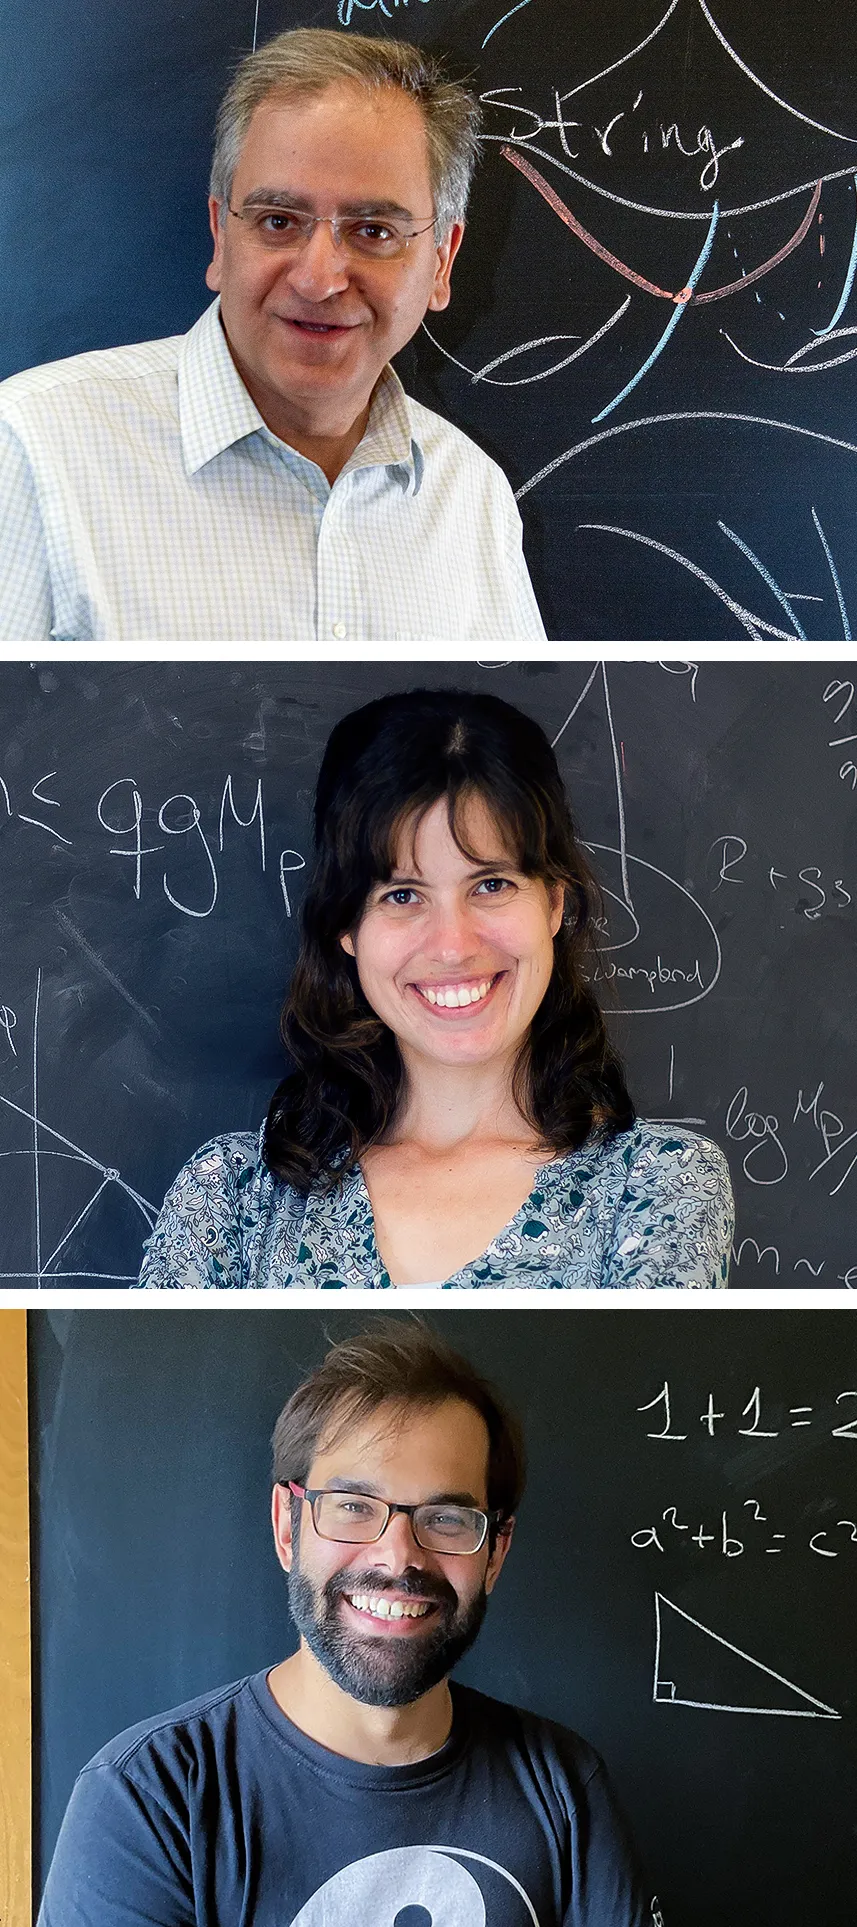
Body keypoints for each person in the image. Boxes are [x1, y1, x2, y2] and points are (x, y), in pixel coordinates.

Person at [38, 1320, 664, 1926]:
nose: (399, 1557)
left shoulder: (564, 1789)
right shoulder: (150, 1800)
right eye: (354, 1507)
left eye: (446, 1519)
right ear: (288, 1526)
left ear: (495, 1552)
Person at [138, 688, 734, 1289]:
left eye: (492, 885)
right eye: (402, 896)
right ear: (346, 927)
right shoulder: (234, 1199)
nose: (453, 946)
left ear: (554, 902)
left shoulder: (657, 1185)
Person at [0, 30, 545, 642]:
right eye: (278, 222)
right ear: (220, 236)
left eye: (373, 231)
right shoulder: (31, 451)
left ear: (442, 261)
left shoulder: (472, 498)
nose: (318, 279)